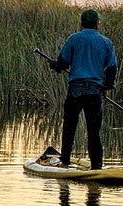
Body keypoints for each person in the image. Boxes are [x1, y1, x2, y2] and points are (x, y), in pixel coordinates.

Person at [50, 9, 118, 169]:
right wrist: (107, 87)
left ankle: (64, 162)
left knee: (69, 127)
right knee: (94, 131)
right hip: (95, 91)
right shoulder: (106, 42)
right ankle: (97, 166)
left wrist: (55, 65)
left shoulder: (74, 39)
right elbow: (112, 68)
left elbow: (63, 62)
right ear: (97, 24)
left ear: (82, 23)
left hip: (76, 90)